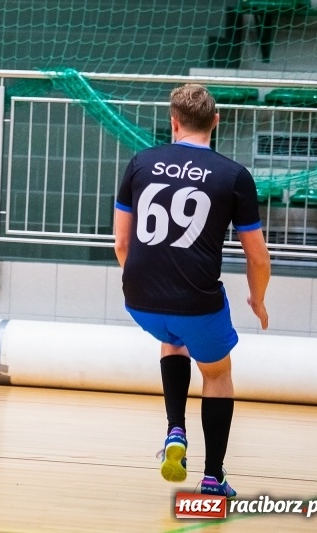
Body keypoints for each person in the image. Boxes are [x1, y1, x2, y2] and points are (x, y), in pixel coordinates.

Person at [113, 84, 270, 498]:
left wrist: (142, 283)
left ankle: (174, 430)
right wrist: (258, 298)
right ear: (215, 122)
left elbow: (121, 244)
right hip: (195, 301)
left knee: (172, 337)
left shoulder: (141, 162)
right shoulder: (234, 176)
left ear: (174, 122)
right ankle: (213, 477)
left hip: (140, 300)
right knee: (217, 373)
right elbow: (257, 258)